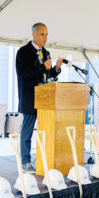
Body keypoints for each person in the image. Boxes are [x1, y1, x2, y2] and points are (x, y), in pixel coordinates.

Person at [16, 22, 63, 173]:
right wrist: (44, 67)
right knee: (27, 132)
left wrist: (55, 69)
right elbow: (24, 74)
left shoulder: (46, 53)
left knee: (45, 132)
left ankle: (44, 159)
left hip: (46, 100)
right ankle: (25, 162)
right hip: (30, 98)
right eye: (42, 34)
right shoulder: (23, 52)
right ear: (34, 34)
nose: (45, 37)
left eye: (47, 34)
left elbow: (47, 75)